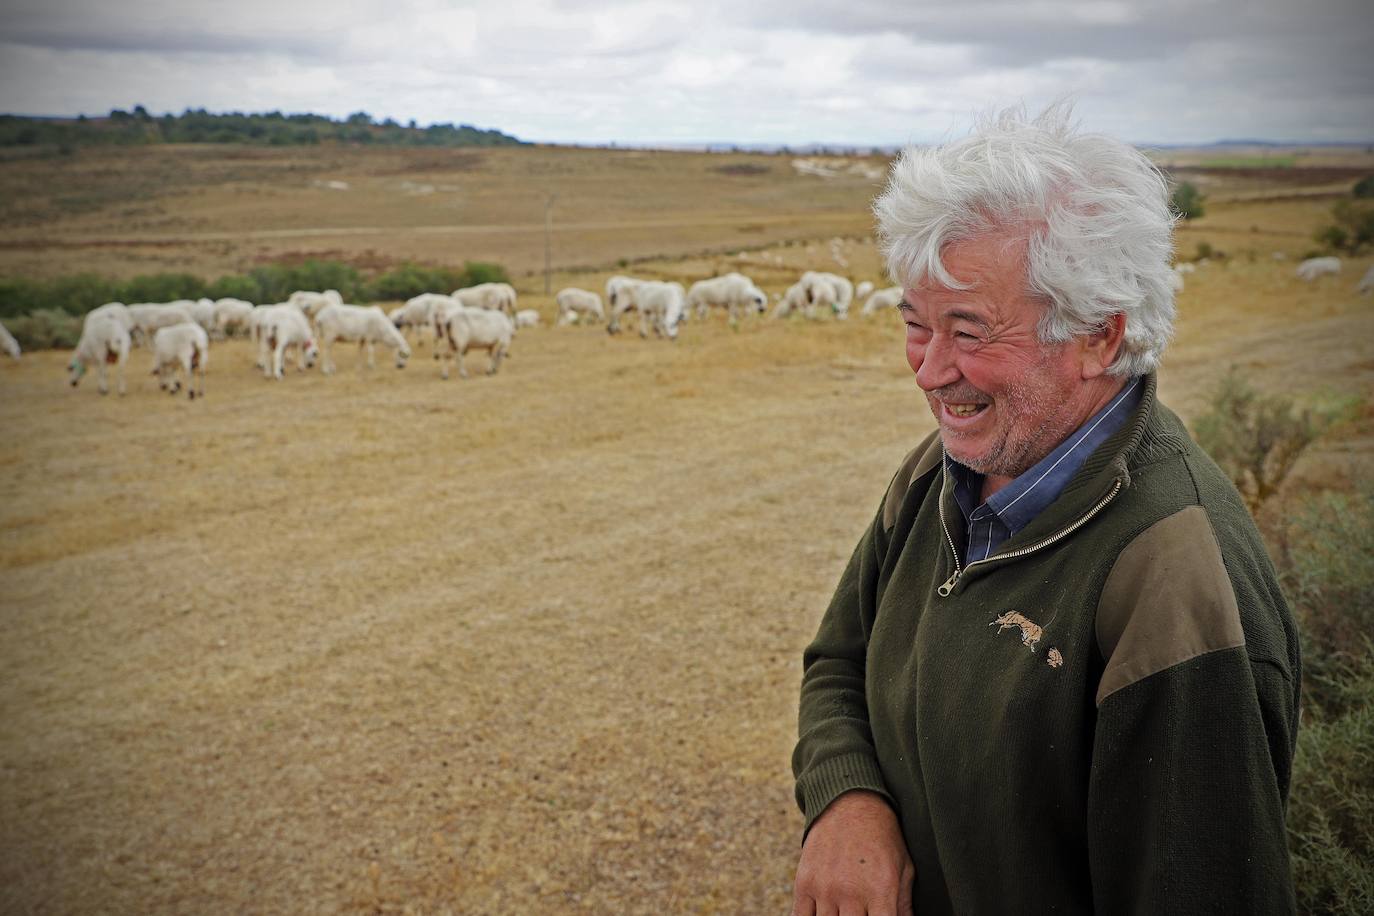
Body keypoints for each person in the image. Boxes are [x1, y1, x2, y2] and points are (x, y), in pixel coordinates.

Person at [790, 104, 1300, 916]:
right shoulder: (941, 474)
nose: (928, 371)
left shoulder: (1174, 584)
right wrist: (849, 800)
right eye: (915, 326)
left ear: (1101, 336)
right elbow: (838, 663)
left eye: (968, 331)